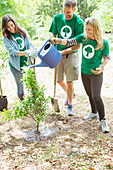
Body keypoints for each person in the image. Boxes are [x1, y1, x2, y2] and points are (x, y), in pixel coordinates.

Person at [50, 17, 110, 133]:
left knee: (96, 96)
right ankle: (93, 112)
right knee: (89, 94)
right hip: (85, 72)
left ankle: (102, 120)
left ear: (96, 29)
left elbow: (107, 57)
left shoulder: (103, 42)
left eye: (89, 30)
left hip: (96, 73)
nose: (87, 32)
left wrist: (102, 67)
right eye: (86, 29)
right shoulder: (83, 38)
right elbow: (69, 42)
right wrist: (57, 40)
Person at [49, 0, 84, 116]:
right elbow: (53, 37)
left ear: (74, 10)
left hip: (71, 54)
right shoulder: (57, 18)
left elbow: (78, 45)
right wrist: (53, 49)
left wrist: (62, 51)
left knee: (69, 82)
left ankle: (70, 105)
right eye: (64, 11)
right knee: (59, 80)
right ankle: (71, 93)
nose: (65, 14)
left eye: (68, 12)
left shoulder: (79, 23)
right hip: (58, 54)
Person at [1, 14, 37, 101]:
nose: (11, 28)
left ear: (14, 23)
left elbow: (30, 45)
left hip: (27, 63)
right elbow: (12, 52)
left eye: (11, 25)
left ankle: (37, 102)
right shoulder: (6, 38)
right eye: (8, 27)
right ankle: (23, 104)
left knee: (33, 83)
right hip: (15, 66)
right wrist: (25, 53)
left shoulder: (23, 32)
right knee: (20, 86)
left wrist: (30, 50)